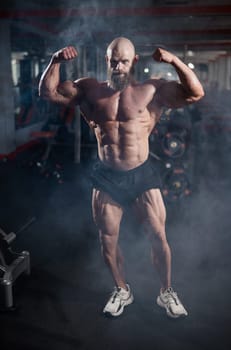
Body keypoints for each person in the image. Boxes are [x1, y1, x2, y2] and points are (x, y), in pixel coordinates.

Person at [39, 37, 204, 318]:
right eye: (113, 61)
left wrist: (175, 61)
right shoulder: (89, 89)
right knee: (108, 240)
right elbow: (49, 93)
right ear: (107, 61)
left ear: (134, 62)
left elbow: (195, 93)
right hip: (107, 177)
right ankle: (121, 289)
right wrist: (55, 61)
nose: (118, 66)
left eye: (123, 61)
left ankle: (166, 292)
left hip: (141, 174)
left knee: (158, 236)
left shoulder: (152, 91)